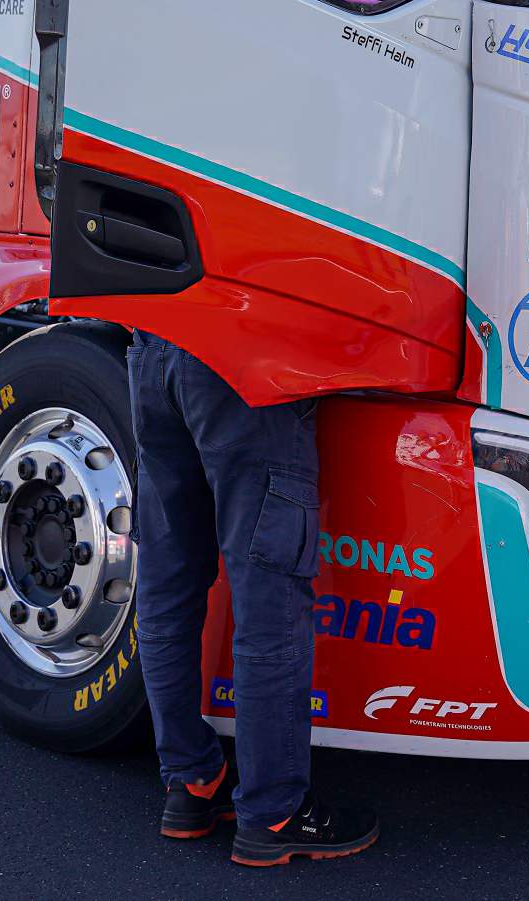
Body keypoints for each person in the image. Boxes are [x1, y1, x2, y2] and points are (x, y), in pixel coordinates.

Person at [127, 334, 378, 866]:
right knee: (270, 596)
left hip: (154, 350)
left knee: (166, 585)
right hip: (244, 349)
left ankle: (190, 781)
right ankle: (274, 812)